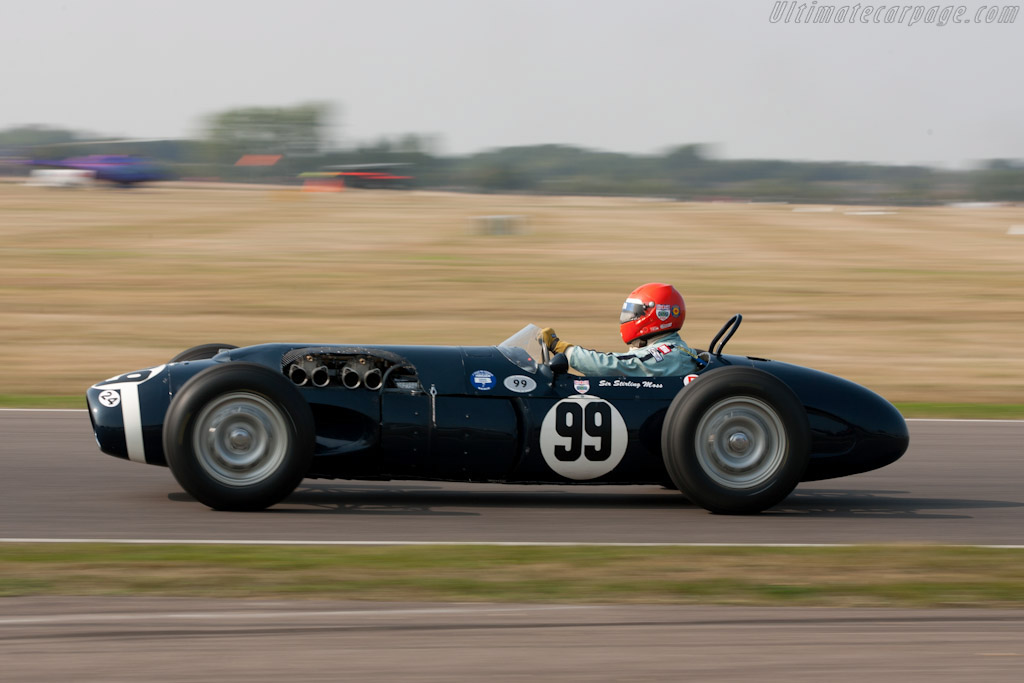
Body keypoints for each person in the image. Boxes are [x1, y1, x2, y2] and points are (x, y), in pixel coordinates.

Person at [541, 283, 704, 377]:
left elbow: (613, 365)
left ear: (659, 315)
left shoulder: (669, 353)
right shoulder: (667, 350)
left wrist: (562, 348)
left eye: (634, 312)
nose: (629, 317)